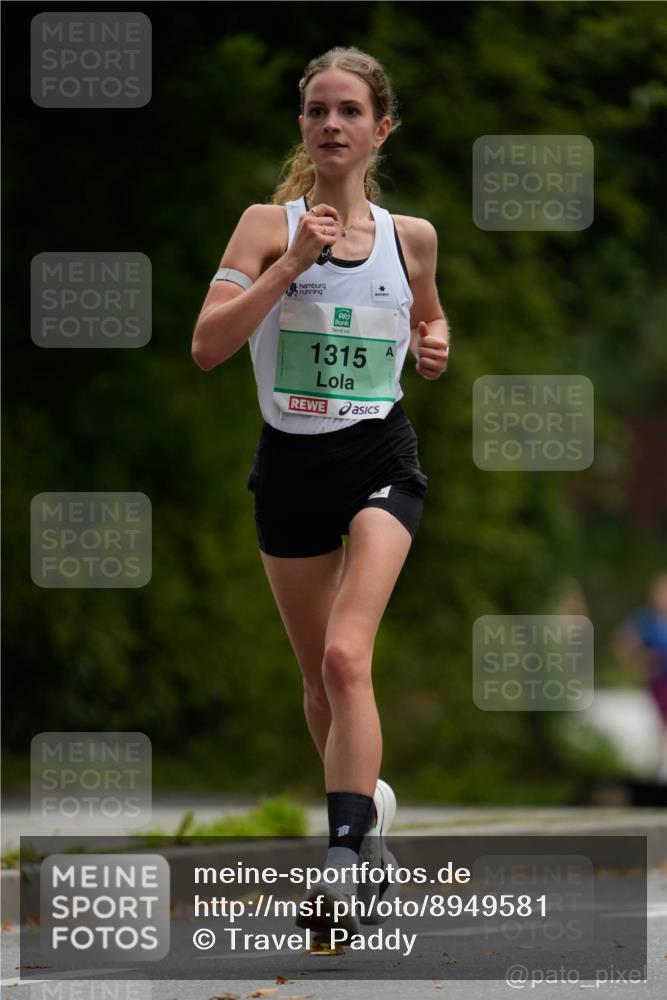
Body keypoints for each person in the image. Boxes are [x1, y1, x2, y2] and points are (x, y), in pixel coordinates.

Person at [192, 46, 449, 935]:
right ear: (302, 126)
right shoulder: (266, 225)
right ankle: (367, 820)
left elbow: (425, 310)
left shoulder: (411, 235)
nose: (330, 125)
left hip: (378, 456)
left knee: (348, 658)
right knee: (316, 681)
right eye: (315, 111)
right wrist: (289, 261)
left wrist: (435, 339)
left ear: (380, 129)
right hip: (290, 468)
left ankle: (343, 859)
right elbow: (208, 346)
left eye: (348, 111)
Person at [613, 572, 667, 781]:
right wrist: (640, 662)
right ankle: (658, 767)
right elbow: (623, 641)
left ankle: (658, 765)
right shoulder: (647, 619)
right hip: (660, 680)